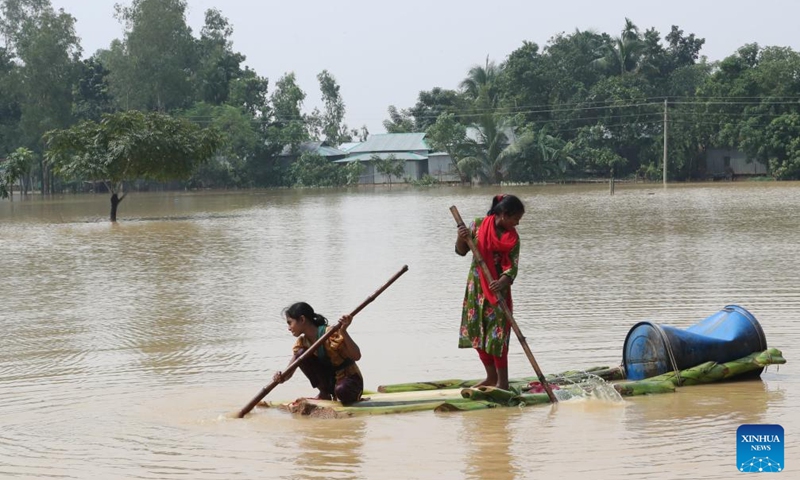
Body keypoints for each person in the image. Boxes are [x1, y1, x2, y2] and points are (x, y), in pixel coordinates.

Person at [455, 194, 525, 391]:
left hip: (498, 293)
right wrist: (461, 238)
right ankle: (490, 377)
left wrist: (500, 283)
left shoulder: (512, 238)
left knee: (497, 336)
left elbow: (512, 269)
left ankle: (502, 383)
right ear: (503, 214)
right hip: (476, 289)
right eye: (515, 219)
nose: (517, 224)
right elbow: (461, 251)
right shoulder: (476, 226)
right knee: (476, 332)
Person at [272, 302, 364, 405]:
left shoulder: (331, 333)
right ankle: (324, 393)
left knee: (342, 390)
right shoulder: (302, 343)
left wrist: (343, 331)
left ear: (302, 320)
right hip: (330, 381)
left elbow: (357, 356)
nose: (289, 328)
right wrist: (280, 377)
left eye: (290, 323)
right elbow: (289, 371)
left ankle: (346, 395)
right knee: (301, 353)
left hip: (349, 380)